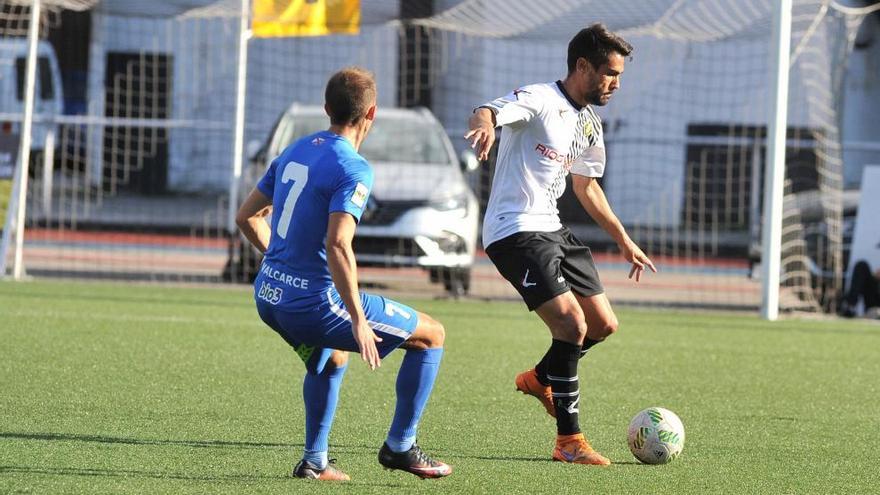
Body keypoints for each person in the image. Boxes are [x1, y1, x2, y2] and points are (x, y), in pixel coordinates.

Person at [236, 66, 451, 481]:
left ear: (325, 109)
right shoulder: (353, 168)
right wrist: (356, 318)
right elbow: (338, 245)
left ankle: (315, 462)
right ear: (371, 114)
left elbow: (247, 217)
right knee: (431, 336)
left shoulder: (295, 149)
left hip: (268, 297)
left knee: (330, 358)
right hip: (310, 304)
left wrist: (279, 259)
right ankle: (400, 447)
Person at [464, 23, 656, 466]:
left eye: (620, 75)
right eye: (609, 72)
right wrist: (485, 126)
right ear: (581, 65)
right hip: (514, 230)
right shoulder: (539, 99)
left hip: (553, 230)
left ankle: (540, 377)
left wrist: (624, 240)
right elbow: (487, 110)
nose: (616, 83)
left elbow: (587, 187)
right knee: (571, 325)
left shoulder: (589, 123)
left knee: (603, 325)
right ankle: (569, 441)